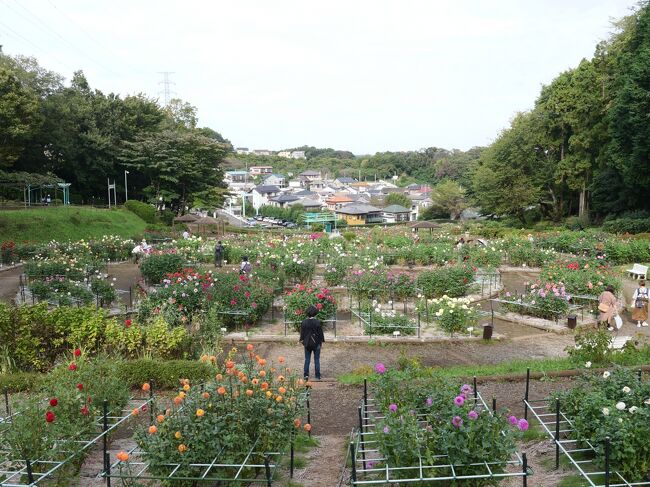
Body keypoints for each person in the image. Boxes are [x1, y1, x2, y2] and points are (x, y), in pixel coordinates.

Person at [299, 305, 324, 380]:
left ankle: (306, 375)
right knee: (317, 360)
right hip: (316, 343)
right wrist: (321, 343)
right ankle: (317, 376)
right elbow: (320, 334)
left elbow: (302, 334)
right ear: (315, 313)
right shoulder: (317, 322)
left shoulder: (304, 322)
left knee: (307, 360)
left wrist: (302, 341)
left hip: (307, 343)